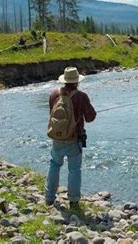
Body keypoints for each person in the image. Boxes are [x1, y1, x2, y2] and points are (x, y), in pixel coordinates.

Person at [45, 67, 96, 208]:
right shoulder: (81, 96)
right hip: (74, 138)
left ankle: (49, 198)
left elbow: (52, 114)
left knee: (54, 165)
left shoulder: (54, 94)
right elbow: (90, 117)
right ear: (77, 82)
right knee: (74, 170)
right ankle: (73, 201)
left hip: (57, 138)